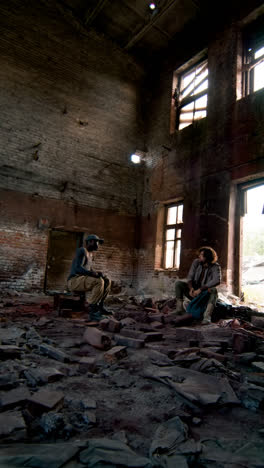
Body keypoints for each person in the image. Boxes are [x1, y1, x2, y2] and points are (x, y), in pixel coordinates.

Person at [67, 234, 111, 321]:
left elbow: (88, 270)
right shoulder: (82, 250)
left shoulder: (90, 255)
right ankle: (93, 313)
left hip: (82, 280)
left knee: (107, 280)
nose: (98, 245)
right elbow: (78, 268)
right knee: (99, 281)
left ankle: (100, 308)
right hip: (74, 281)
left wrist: (97, 273)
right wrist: (92, 274)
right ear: (90, 242)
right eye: (96, 242)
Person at [175, 246, 221, 324]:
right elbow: (190, 276)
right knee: (179, 284)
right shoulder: (196, 262)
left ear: (207, 257)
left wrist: (200, 289)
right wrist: (191, 288)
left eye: (201, 255)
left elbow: (216, 280)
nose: (199, 256)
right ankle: (180, 310)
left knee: (214, 290)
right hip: (194, 292)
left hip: (204, 294)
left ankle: (207, 317)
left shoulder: (215, 266)